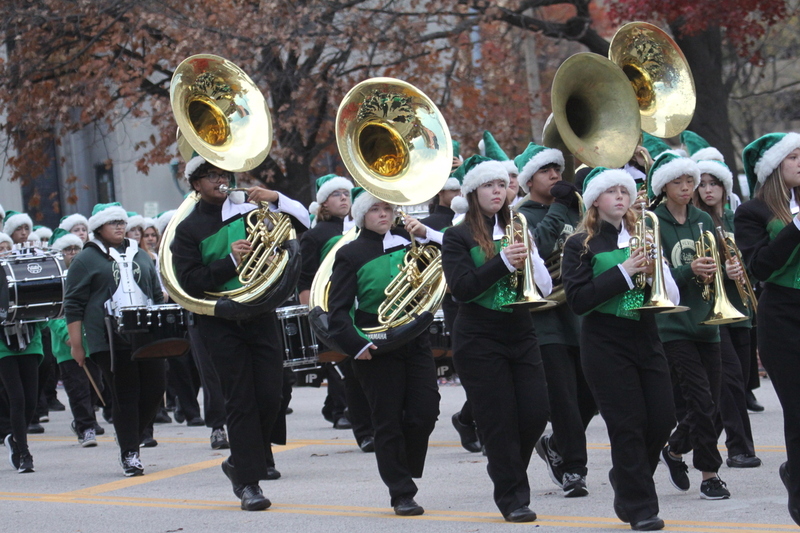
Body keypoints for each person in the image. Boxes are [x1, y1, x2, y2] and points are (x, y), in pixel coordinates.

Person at [170, 155, 309, 511]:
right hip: (219, 321)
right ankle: (249, 483)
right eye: (211, 176)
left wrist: (274, 198)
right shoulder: (187, 229)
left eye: (223, 174)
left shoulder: (251, 210)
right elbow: (187, 283)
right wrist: (229, 262)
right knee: (240, 399)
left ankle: (239, 462)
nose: (220, 180)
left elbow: (303, 223)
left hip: (260, 313)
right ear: (195, 184)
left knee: (271, 395)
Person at [561, 167, 679, 531]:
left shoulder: (643, 236)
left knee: (662, 418)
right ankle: (641, 506)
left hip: (645, 335)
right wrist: (625, 271)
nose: (619, 196)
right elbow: (579, 300)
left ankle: (625, 478)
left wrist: (659, 268)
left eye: (624, 190)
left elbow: (670, 297)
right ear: (595, 199)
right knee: (628, 425)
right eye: (610, 191)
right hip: (604, 341)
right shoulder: (580, 243)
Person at [444, 155, 551, 522]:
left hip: (520, 331)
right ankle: (512, 497)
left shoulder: (518, 226)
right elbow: (462, 288)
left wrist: (531, 256)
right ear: (473, 193)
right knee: (500, 420)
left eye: (502, 186)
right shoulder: (456, 236)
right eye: (489, 186)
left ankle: (510, 472)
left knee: (536, 412)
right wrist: (503, 261)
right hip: (478, 336)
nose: (498, 192)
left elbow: (546, 286)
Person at [326, 187, 440, 517]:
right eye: (375, 209)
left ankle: (402, 466)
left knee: (425, 411)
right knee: (387, 421)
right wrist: (356, 345)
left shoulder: (412, 243)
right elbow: (338, 313)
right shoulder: (350, 254)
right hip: (376, 346)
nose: (383, 214)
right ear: (362, 215)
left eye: (388, 209)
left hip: (414, 340)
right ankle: (401, 491)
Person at [647, 151, 737, 500]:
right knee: (700, 400)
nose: (686, 188)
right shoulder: (652, 221)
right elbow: (655, 276)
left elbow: (717, 267)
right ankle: (710, 474)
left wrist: (729, 275)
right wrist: (689, 270)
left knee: (711, 403)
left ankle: (673, 450)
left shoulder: (703, 218)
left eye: (690, 181)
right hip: (673, 326)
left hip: (707, 322)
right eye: (677, 182)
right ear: (663, 186)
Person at [515, 142, 595, 497]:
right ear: (529, 180)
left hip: (581, 314)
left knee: (591, 395)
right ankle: (574, 470)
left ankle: (556, 445)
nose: (555, 176)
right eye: (546, 171)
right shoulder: (520, 216)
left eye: (557, 170)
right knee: (562, 399)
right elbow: (540, 246)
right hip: (545, 320)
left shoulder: (577, 210)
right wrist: (561, 207)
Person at [64, 203, 167, 477]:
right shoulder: (86, 259)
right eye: (114, 223)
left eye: (122, 222)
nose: (120, 227)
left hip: (145, 334)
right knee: (126, 395)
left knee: (156, 387)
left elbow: (156, 293)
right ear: (99, 227)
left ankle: (129, 435)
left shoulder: (140, 254)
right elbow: (73, 303)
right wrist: (77, 344)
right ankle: (130, 453)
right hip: (108, 338)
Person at [734, 132, 800, 526]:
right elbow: (760, 268)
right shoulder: (753, 212)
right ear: (775, 167)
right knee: (797, 409)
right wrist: (795, 228)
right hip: (783, 316)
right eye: (793, 156)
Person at [692, 158, 761, 469]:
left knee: (738, 379)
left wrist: (740, 268)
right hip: (712, 312)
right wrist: (722, 268)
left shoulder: (735, 218)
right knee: (730, 380)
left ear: (724, 187)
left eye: (714, 183)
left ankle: (685, 441)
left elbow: (754, 257)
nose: (708, 190)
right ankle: (739, 448)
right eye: (702, 184)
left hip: (741, 309)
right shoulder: (695, 221)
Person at [297, 174, 358, 433]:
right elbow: (305, 279)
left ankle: (338, 407)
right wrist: (313, 312)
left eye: (347, 193)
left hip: (360, 301)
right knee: (339, 358)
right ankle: (340, 409)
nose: (344, 198)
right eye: (337, 194)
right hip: (332, 304)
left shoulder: (360, 228)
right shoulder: (316, 235)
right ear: (323, 203)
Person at [46, 229, 104, 448]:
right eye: (67, 250)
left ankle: (85, 419)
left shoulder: (87, 275)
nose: (72, 253)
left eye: (76, 249)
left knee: (95, 385)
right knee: (77, 389)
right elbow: (52, 313)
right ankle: (86, 427)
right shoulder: (54, 280)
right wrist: (67, 335)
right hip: (67, 347)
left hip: (92, 343)